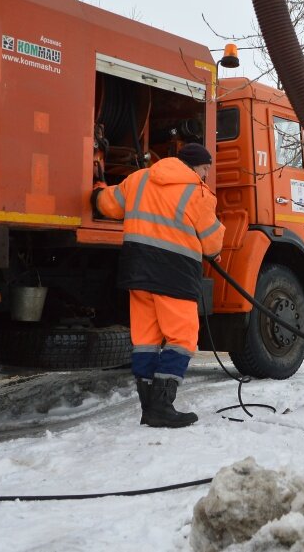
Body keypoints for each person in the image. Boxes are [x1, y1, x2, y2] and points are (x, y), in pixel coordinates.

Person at [92, 143, 225, 428]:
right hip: (174, 275)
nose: (206, 176)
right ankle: (162, 406)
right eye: (205, 170)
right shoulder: (198, 193)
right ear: (194, 166)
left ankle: (147, 407)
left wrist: (98, 188)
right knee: (182, 338)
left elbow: (106, 204)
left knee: (146, 340)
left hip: (137, 272)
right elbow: (213, 243)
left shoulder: (139, 179)